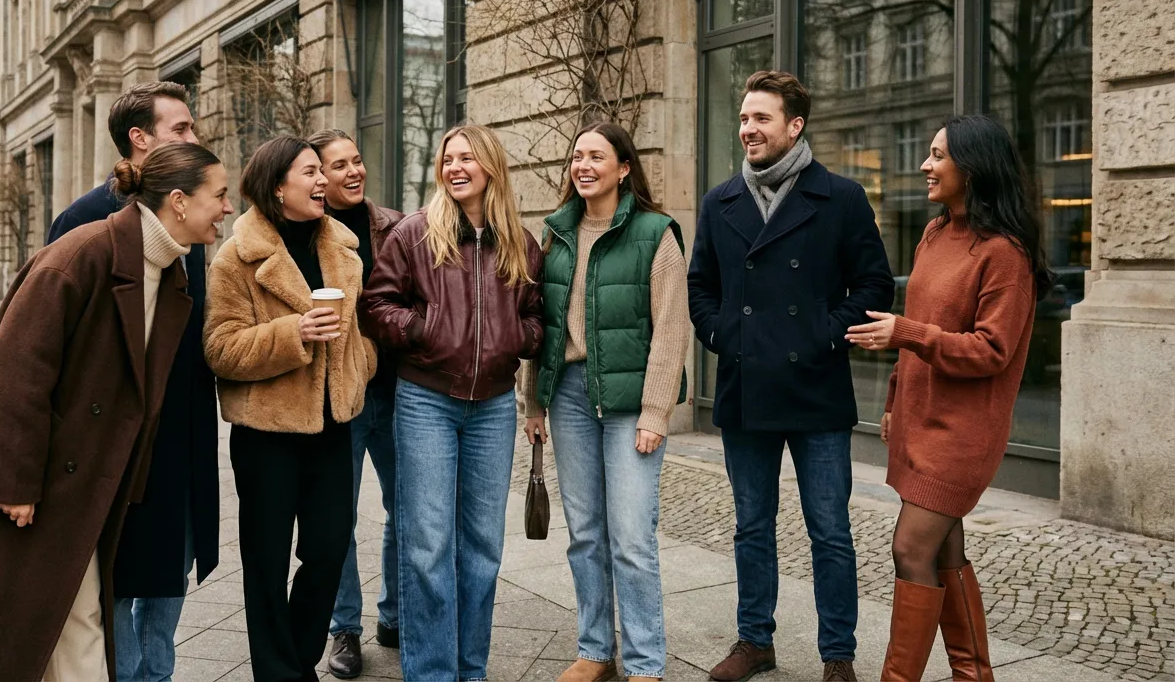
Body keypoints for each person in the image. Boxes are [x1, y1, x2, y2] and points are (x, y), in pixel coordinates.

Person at [0, 141, 234, 681]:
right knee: (14, 630)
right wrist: (14, 482)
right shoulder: (82, 254)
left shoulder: (170, 270)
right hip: (28, 483)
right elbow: (15, 373)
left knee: (75, 626)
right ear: (180, 201)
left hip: (81, 486)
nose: (229, 208)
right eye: (221, 195)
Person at [687, 71, 895, 682]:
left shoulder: (842, 197)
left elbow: (875, 285)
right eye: (744, 118)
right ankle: (756, 640)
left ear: (794, 126)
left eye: (761, 119)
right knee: (752, 523)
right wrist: (726, 334)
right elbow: (702, 287)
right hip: (745, 385)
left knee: (828, 529)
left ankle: (838, 655)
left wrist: (824, 333)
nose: (748, 129)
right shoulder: (721, 201)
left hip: (817, 387)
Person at [846, 115, 1051, 682]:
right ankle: (973, 674)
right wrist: (893, 395)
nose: (925, 165)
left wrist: (906, 335)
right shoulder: (937, 232)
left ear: (973, 166)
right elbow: (919, 320)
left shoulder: (1005, 253)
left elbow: (992, 350)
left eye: (938, 156)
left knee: (909, 548)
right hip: (920, 416)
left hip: (962, 432)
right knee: (944, 552)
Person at [47, 80, 223, 682]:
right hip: (114, 446)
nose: (194, 138)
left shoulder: (190, 215)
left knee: (169, 581)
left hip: (178, 432)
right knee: (114, 586)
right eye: (182, 129)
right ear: (138, 140)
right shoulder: (82, 223)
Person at [361, 124, 544, 682]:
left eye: (467, 157)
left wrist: (519, 338)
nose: (455, 167)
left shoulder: (521, 242)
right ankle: (432, 672)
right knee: (427, 545)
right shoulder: (415, 234)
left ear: (491, 167)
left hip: (492, 406)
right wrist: (426, 329)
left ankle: (471, 668)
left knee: (484, 548)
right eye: (448, 158)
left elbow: (538, 315)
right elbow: (377, 304)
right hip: (426, 401)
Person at [520, 123, 690, 682]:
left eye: (597, 156)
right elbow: (541, 327)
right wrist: (534, 404)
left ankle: (644, 663)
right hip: (568, 396)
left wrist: (655, 412)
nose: (584, 165)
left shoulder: (654, 233)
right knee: (586, 533)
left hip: (630, 402)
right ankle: (596, 651)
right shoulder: (557, 235)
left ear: (624, 168)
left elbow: (670, 329)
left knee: (633, 539)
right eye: (577, 156)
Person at [203, 135, 376, 682]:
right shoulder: (236, 256)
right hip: (266, 434)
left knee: (327, 551)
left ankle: (296, 662)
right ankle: (280, 675)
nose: (323, 180)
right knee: (267, 563)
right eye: (311, 173)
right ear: (278, 187)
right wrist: (291, 333)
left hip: (331, 427)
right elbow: (221, 349)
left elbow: (363, 337)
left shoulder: (342, 249)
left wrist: (357, 367)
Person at [308, 129, 405, 680]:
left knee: (407, 508)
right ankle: (343, 627)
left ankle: (395, 616)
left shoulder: (393, 226)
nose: (353, 172)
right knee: (336, 517)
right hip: (340, 399)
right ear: (318, 175)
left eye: (357, 160)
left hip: (397, 393)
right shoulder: (309, 233)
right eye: (338, 165)